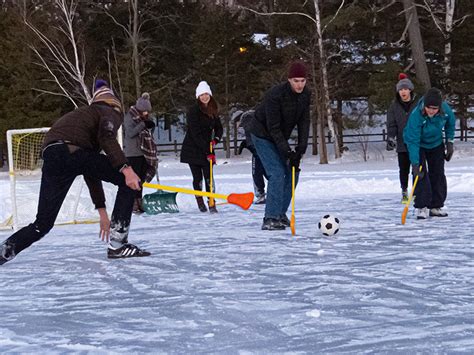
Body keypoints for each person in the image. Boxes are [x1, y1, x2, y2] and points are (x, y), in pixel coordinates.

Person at [0, 80, 150, 265]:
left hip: (52, 155)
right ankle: (118, 244)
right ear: (114, 103)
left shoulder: (84, 116)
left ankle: (3, 252)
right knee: (128, 181)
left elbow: (90, 170)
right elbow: (107, 137)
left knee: (42, 224)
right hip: (71, 151)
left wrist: (102, 211)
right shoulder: (109, 111)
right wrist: (126, 169)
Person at [248, 60, 311, 230]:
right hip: (262, 134)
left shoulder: (306, 95)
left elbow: (304, 122)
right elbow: (273, 127)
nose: (299, 85)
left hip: (279, 136)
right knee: (276, 173)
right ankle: (269, 218)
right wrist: (286, 150)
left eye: (302, 81)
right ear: (289, 80)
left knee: (293, 172)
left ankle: (280, 214)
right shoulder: (275, 95)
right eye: (296, 81)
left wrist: (300, 150)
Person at [403, 87, 456, 220]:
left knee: (438, 173)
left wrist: (449, 143)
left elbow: (451, 123)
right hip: (418, 144)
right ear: (424, 106)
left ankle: (435, 206)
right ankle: (421, 207)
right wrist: (415, 163)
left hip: (436, 143)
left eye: (434, 108)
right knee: (420, 174)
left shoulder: (445, 110)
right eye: (429, 108)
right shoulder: (416, 115)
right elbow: (413, 141)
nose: (431, 111)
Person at [180, 81, 223, 213]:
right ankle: (200, 201)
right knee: (197, 177)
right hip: (193, 148)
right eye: (202, 95)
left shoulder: (213, 109)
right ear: (198, 96)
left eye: (206, 94)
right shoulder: (193, 111)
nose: (204, 97)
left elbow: (219, 128)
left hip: (207, 147)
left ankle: (212, 202)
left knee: (209, 176)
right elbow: (195, 133)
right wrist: (207, 151)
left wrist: (216, 139)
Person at [123, 92, 157, 214]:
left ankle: (139, 201)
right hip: (132, 153)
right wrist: (143, 124)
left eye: (148, 111)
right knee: (134, 179)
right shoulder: (129, 117)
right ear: (139, 109)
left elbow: (147, 133)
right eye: (144, 111)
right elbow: (131, 133)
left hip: (143, 153)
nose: (146, 113)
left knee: (141, 179)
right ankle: (133, 203)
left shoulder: (144, 118)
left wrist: (150, 125)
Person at [386, 73, 418, 203]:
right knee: (404, 170)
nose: (403, 92)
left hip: (416, 143)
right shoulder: (394, 107)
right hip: (402, 144)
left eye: (405, 89)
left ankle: (417, 192)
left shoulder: (418, 104)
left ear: (410, 90)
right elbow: (392, 124)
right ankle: (404, 191)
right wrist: (391, 138)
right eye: (400, 90)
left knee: (417, 169)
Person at [233, 110, 268, 204]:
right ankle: (276, 191)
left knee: (256, 172)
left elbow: (252, 135)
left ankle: (260, 194)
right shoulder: (253, 118)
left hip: (259, 150)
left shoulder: (246, 119)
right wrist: (246, 144)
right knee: (267, 171)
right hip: (265, 149)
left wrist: (252, 147)